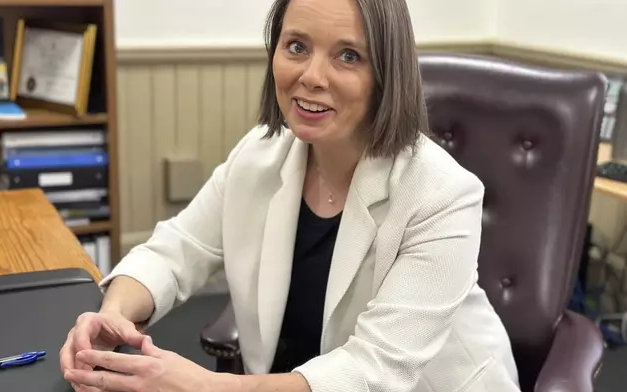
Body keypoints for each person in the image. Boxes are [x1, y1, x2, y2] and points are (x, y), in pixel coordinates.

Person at [60, 0, 521, 391]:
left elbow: (374, 370)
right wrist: (113, 314)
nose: (312, 76)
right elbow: (174, 251)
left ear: (386, 73)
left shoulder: (443, 195)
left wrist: (204, 385)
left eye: (348, 56)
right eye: (297, 47)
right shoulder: (258, 155)